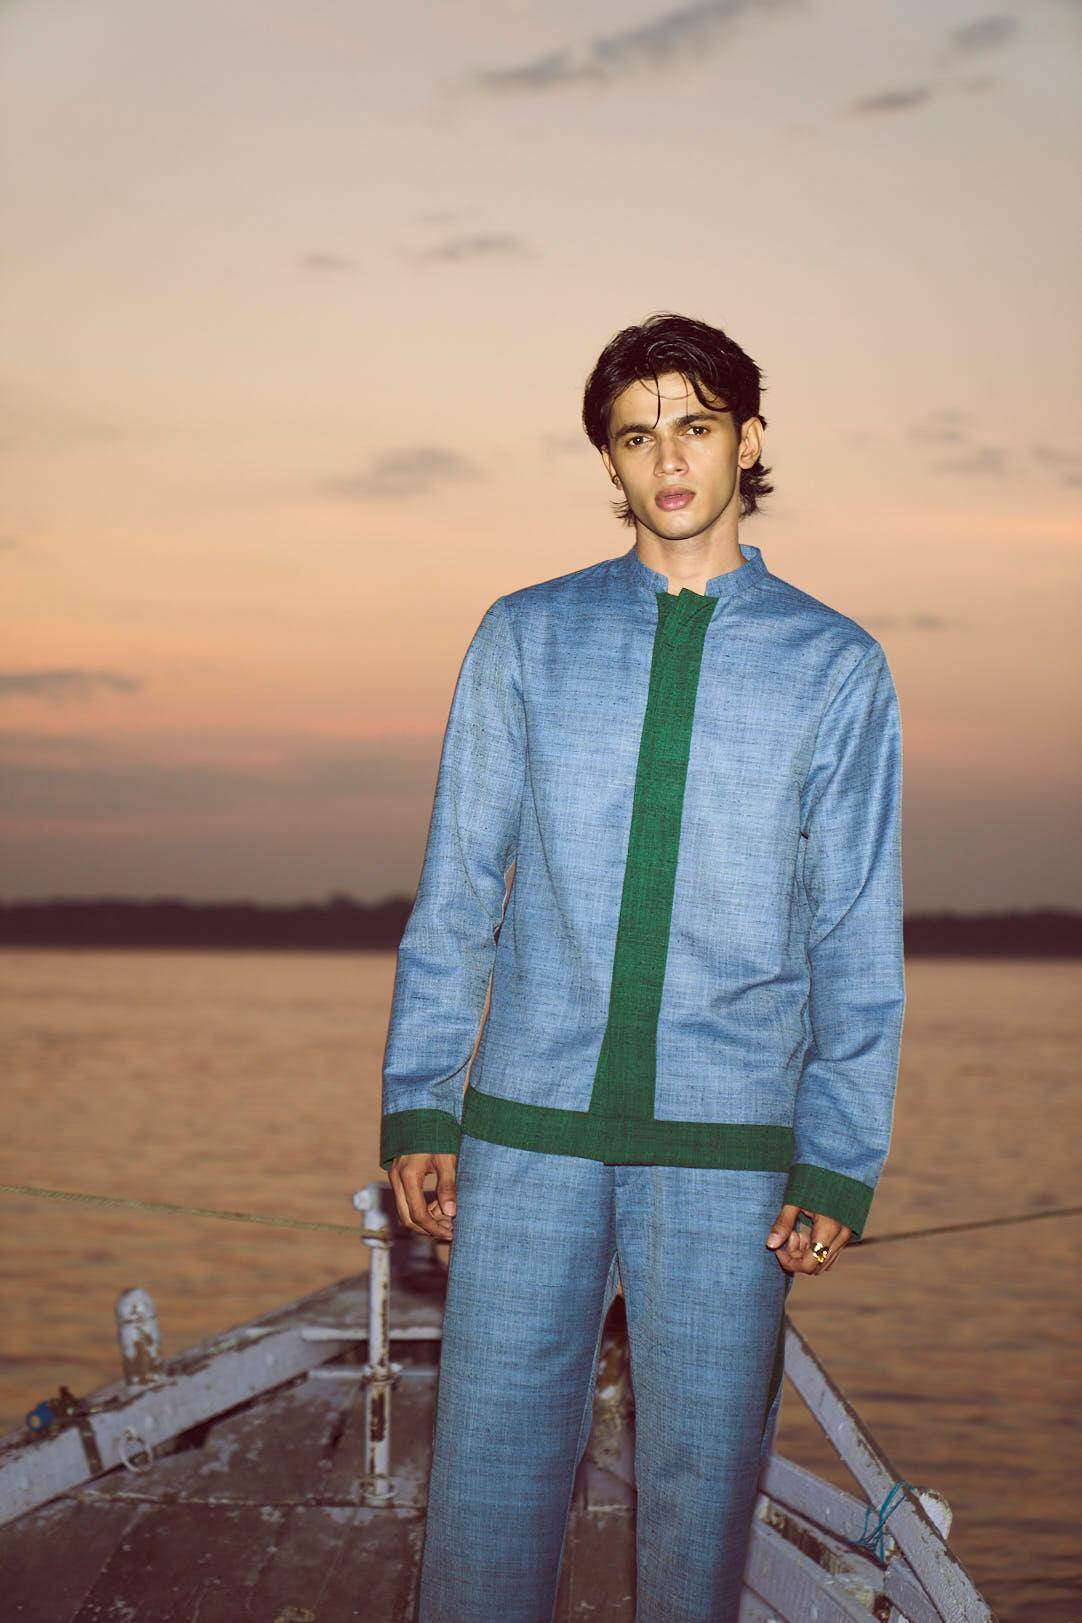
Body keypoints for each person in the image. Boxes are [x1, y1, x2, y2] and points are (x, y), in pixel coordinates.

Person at [378, 310, 906, 1622]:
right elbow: (458, 885)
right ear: (608, 462)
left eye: (695, 426)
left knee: (699, 1508)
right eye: (635, 435)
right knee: (488, 1488)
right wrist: (420, 1100)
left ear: (748, 441)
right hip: (528, 1132)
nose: (667, 458)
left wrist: (838, 1152)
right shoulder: (526, 635)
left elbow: (852, 926)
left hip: (729, 1150)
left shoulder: (835, 666)